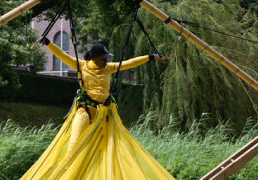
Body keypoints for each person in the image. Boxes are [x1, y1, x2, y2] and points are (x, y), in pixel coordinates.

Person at [35, 37, 168, 153]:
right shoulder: (82, 65)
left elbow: (129, 63)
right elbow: (62, 55)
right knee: (74, 143)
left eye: (107, 58)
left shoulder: (109, 68)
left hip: (104, 112)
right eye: (103, 58)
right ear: (94, 57)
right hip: (85, 110)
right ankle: (68, 170)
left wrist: (151, 57)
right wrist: (47, 42)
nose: (106, 60)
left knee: (111, 146)